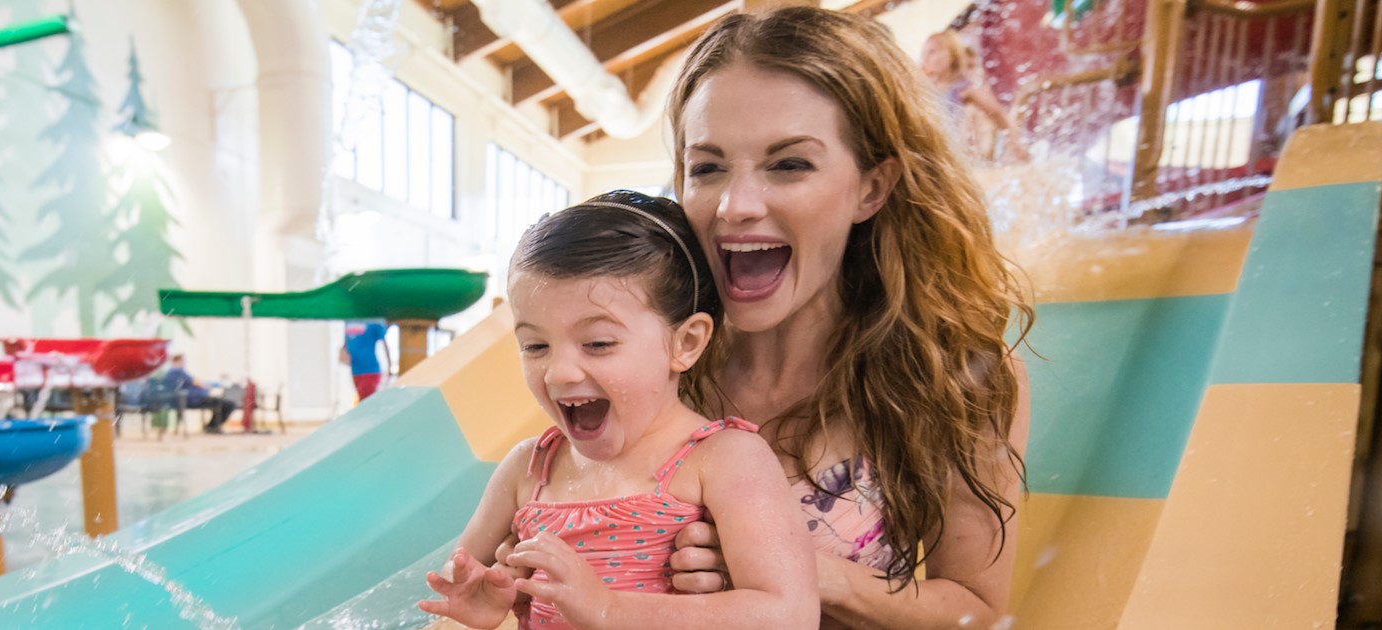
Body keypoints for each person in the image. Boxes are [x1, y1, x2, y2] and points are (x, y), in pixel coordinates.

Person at [650, 8, 1035, 628]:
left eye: (789, 164)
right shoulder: (650, 359)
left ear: (872, 188)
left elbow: (975, 611)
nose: (734, 205)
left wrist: (801, 569)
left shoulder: (957, 374)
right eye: (708, 167)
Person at [419, 192, 822, 629]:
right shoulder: (528, 469)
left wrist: (612, 609)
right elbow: (450, 585)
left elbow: (788, 614)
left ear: (684, 343)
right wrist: (481, 601)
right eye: (535, 345)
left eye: (598, 344)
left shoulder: (723, 459)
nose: (560, 372)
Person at [920, 30, 1028, 163]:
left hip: (954, 154)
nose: (925, 58)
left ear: (952, 56)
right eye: (923, 53)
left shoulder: (962, 89)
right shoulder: (924, 89)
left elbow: (997, 112)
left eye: (932, 52)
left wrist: (1014, 141)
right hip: (934, 153)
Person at [158, 353, 238, 434]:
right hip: (194, 399)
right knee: (227, 404)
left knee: (219, 403)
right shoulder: (178, 371)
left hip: (185, 399)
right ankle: (212, 427)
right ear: (179, 361)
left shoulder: (169, 373)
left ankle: (211, 426)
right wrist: (206, 387)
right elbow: (196, 382)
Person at [339, 320, 391, 401]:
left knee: (366, 401)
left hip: (370, 370)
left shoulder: (373, 322)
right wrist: (342, 354)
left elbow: (385, 344)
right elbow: (345, 343)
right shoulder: (349, 321)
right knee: (362, 398)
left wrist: (390, 366)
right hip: (355, 370)